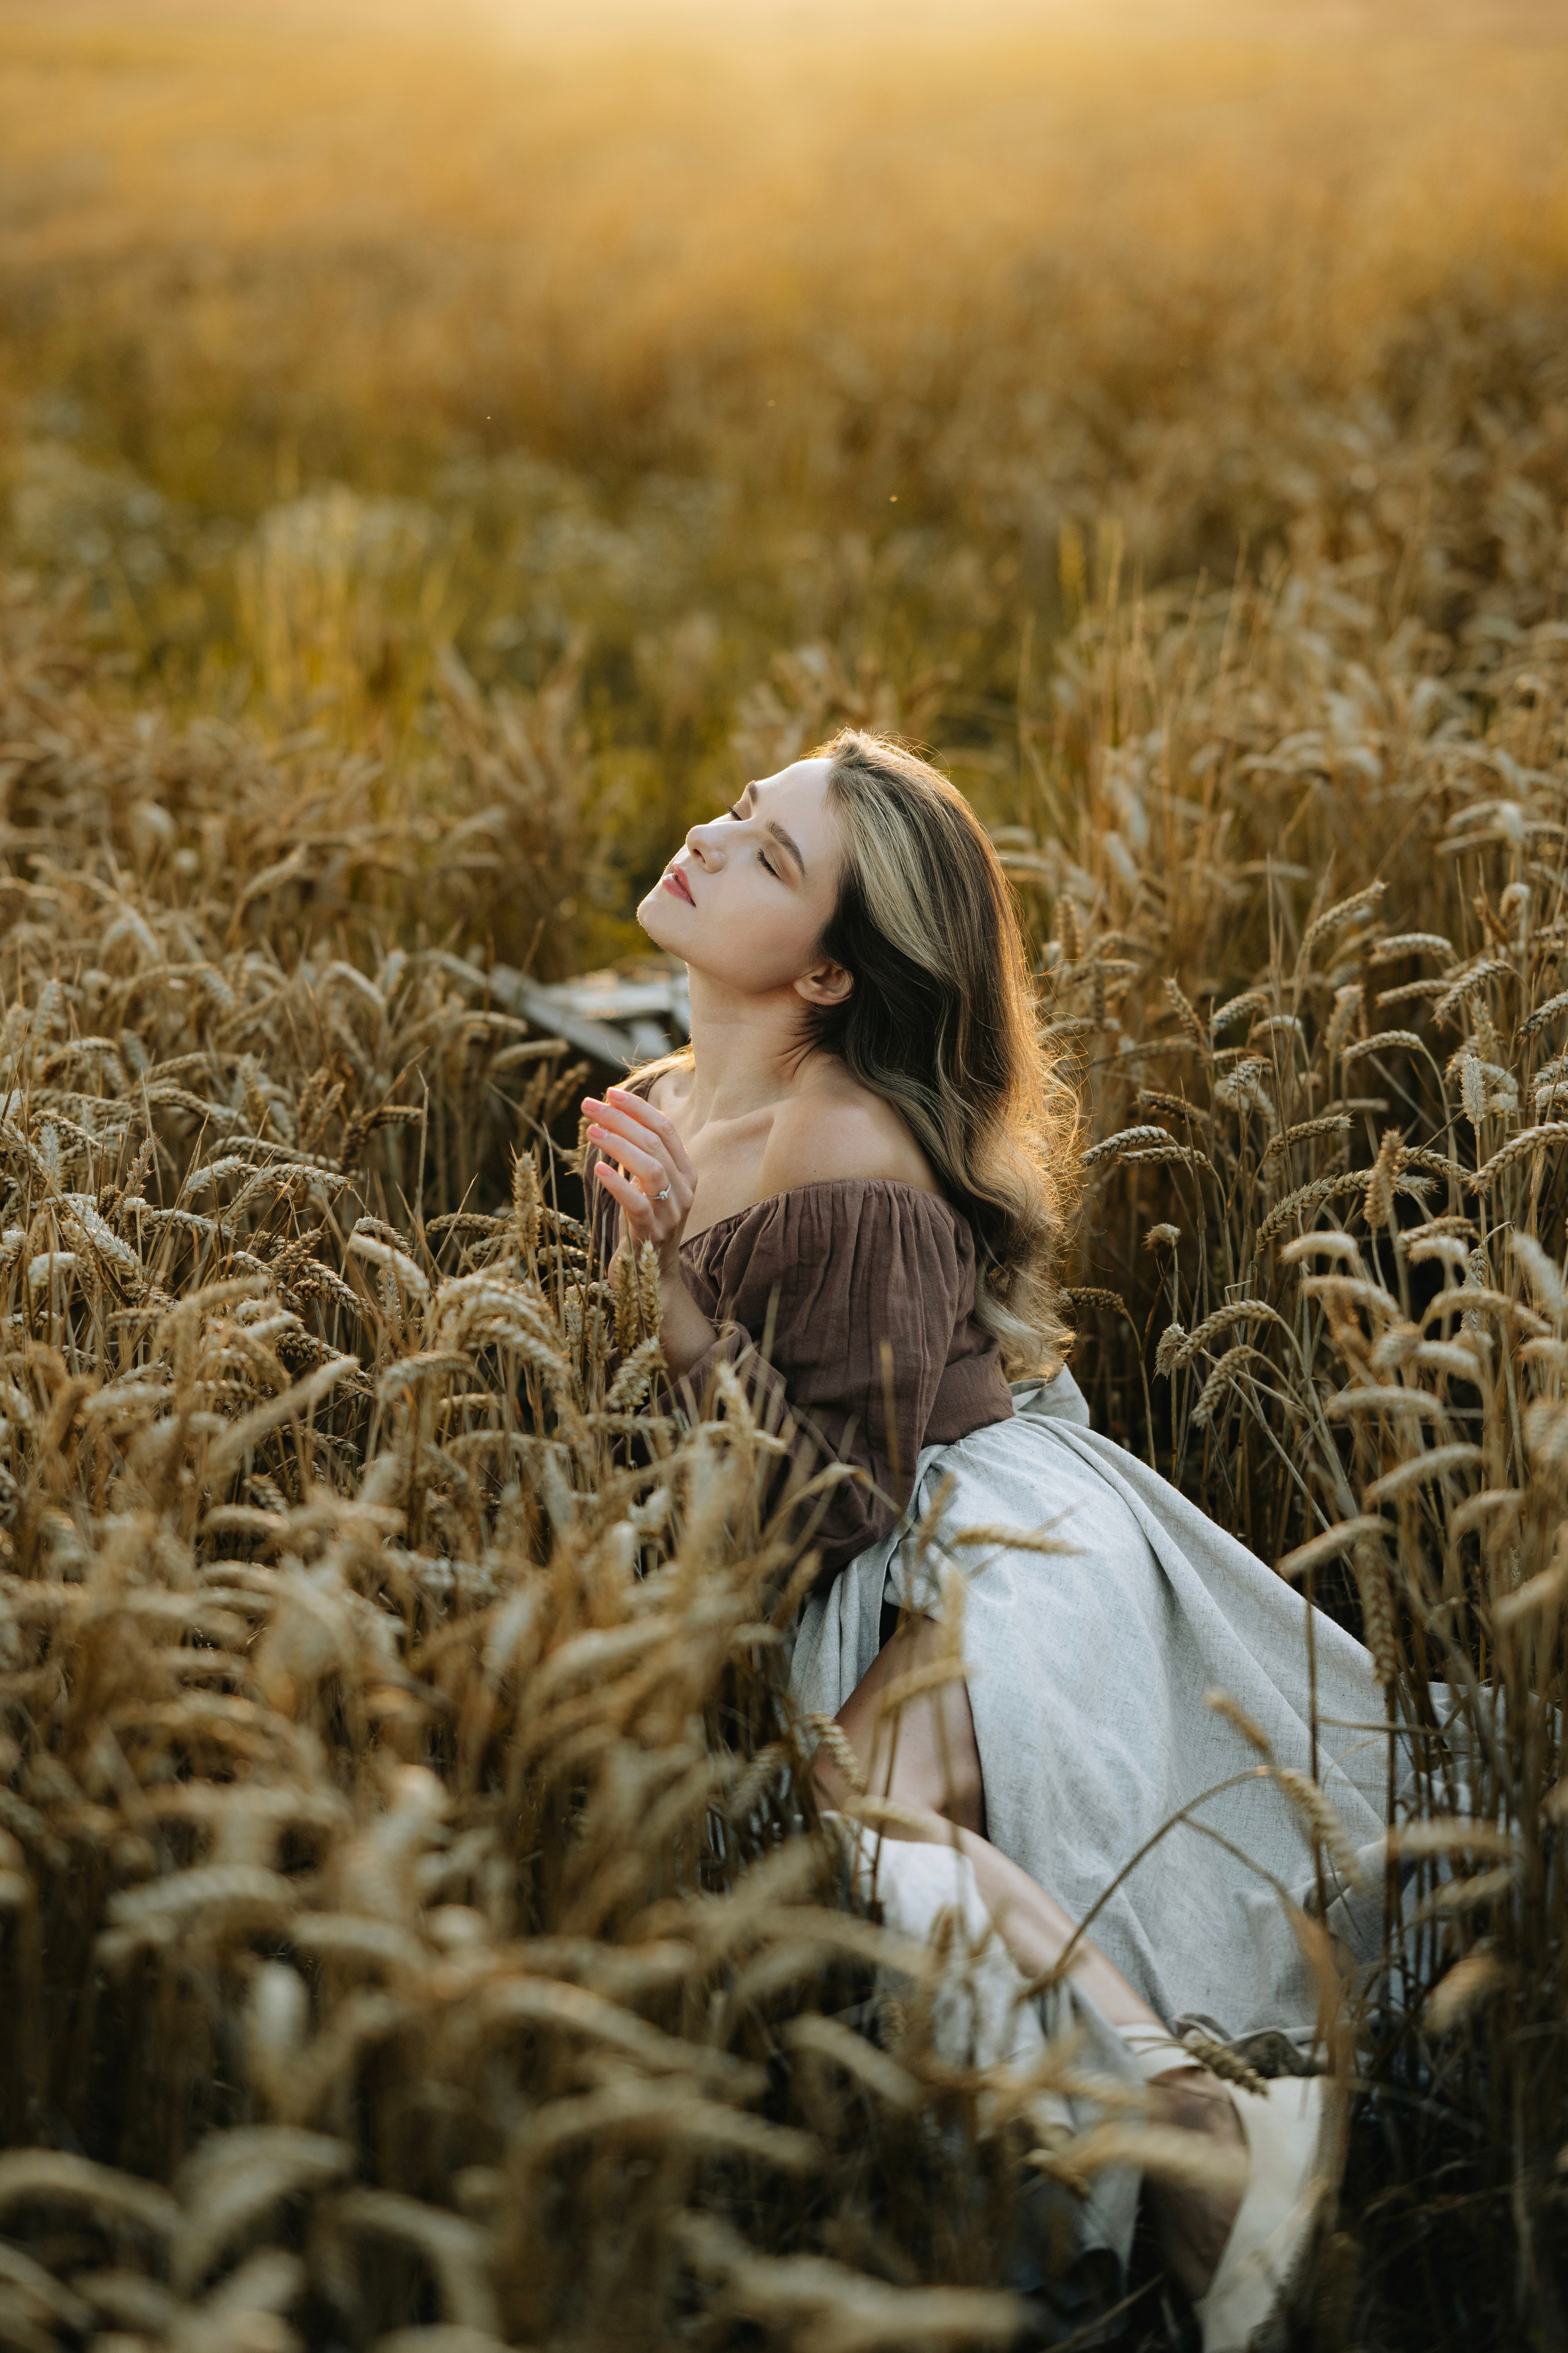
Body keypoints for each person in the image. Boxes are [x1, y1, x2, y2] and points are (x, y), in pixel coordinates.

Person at [581, 731, 1391, 2349]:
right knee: (841, 1822)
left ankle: (1194, 2137)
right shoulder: (655, 1112)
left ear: (827, 975)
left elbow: (834, 1505)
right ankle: (1189, 2141)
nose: (711, 839)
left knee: (862, 1797)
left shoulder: (847, 1146)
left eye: (769, 856)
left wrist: (671, 1296)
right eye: (739, 812)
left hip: (989, 1535)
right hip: (846, 1559)